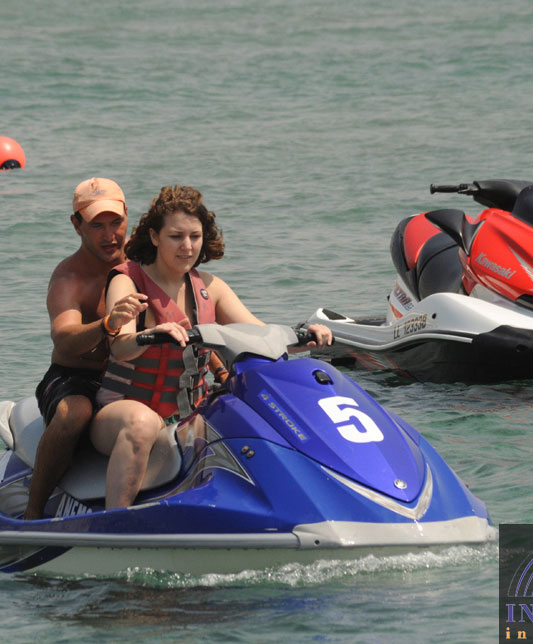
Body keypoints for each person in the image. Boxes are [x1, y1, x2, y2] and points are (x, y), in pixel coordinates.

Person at [89, 185, 332, 510]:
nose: (187, 246)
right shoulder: (128, 281)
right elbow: (120, 348)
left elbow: (258, 336)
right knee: (142, 423)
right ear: (155, 236)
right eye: (176, 236)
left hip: (186, 414)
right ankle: (116, 520)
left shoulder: (209, 287)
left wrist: (305, 335)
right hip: (122, 412)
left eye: (195, 236)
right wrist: (152, 334)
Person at [26, 177, 144, 520]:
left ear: (128, 216)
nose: (110, 236)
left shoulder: (145, 258)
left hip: (132, 373)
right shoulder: (69, 278)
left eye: (116, 223)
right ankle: (33, 513)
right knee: (74, 413)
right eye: (97, 226)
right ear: (77, 225)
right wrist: (107, 324)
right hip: (75, 377)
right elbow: (64, 338)